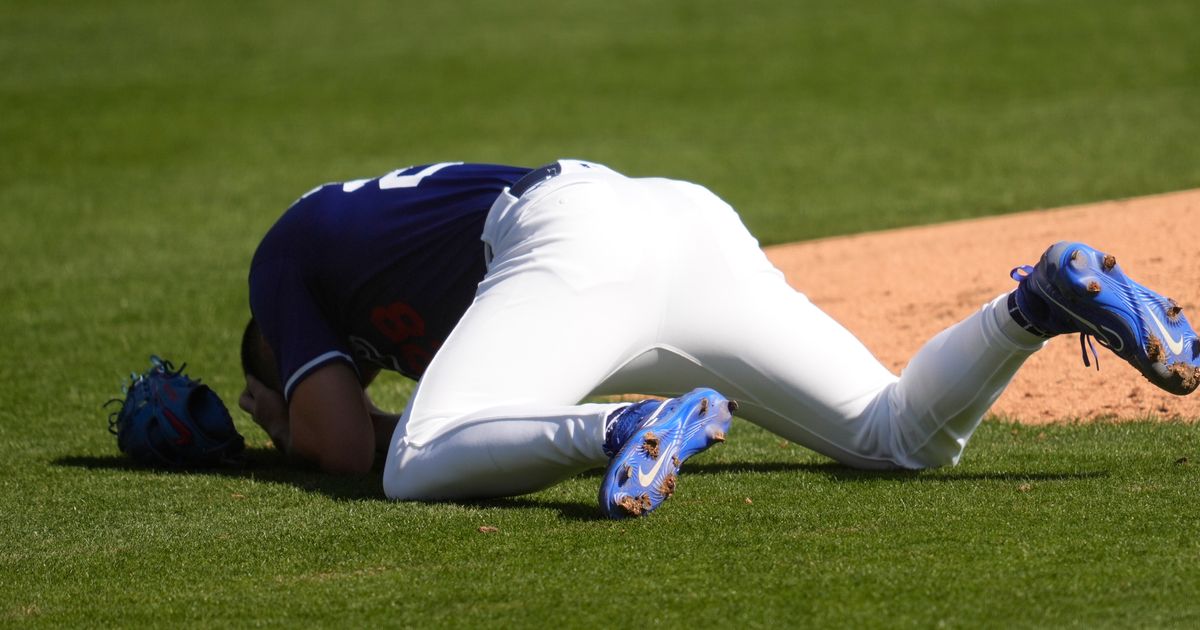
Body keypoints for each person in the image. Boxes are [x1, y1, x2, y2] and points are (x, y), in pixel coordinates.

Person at [238, 159, 1200, 518]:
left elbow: (342, 444)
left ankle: (620, 431)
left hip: (572, 242)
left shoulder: (284, 255)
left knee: (415, 464)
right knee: (898, 433)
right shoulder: (365, 249)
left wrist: (271, 415)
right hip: (676, 217)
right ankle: (1035, 303)